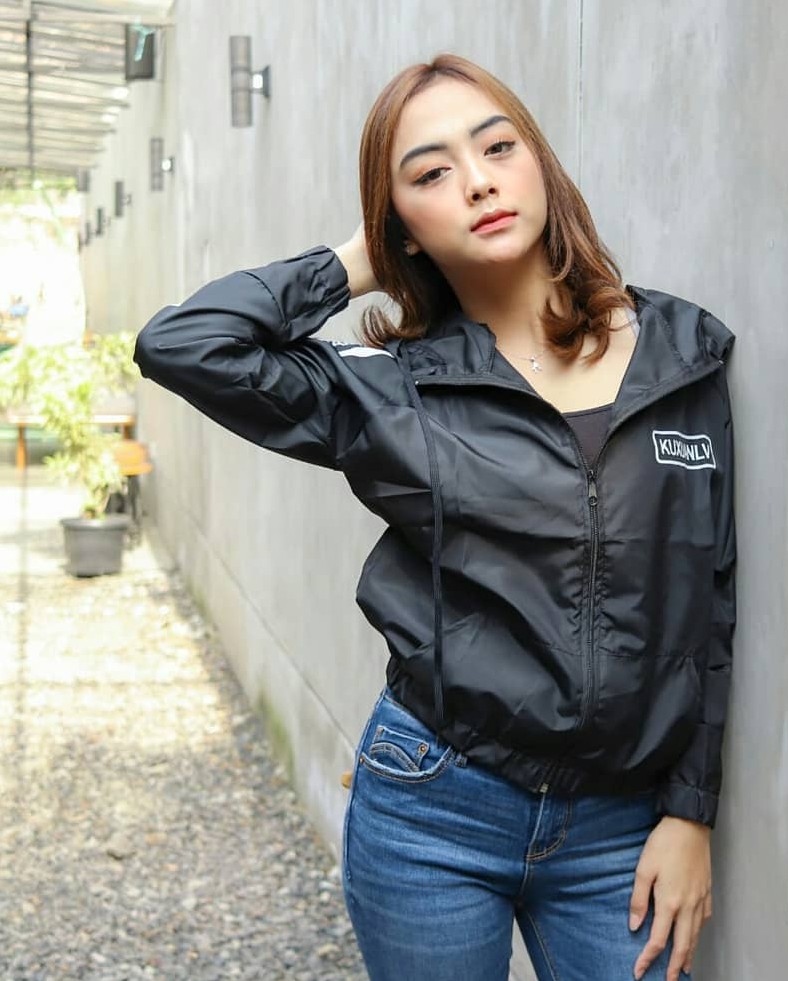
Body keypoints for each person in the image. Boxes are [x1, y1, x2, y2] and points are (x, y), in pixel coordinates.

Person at [134, 53, 736, 981]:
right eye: (430, 173)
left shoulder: (680, 354)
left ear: (540, 163)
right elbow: (183, 344)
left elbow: (707, 597)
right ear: (400, 225)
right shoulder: (386, 392)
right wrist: (354, 262)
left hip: (621, 826)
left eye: (497, 147)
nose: (478, 181)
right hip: (433, 810)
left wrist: (690, 811)